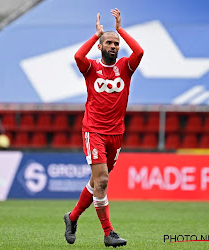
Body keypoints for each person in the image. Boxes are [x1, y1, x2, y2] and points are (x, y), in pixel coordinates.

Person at [64, 8, 143, 247]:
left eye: (116, 43)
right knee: (103, 181)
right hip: (94, 131)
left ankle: (72, 217)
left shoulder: (126, 68)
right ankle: (108, 233)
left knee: (97, 182)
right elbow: (78, 57)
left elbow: (139, 51)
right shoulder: (91, 68)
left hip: (116, 133)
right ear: (100, 47)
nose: (113, 46)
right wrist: (96, 35)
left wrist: (120, 30)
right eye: (108, 42)